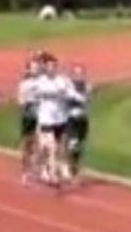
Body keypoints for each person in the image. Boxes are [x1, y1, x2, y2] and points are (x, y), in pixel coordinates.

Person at [33, 54, 74, 185]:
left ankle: (58, 168)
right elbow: (41, 93)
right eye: (50, 66)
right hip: (46, 119)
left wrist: (75, 96)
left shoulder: (63, 80)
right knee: (52, 147)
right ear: (45, 67)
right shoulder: (40, 81)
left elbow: (70, 92)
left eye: (54, 66)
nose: (52, 68)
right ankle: (52, 174)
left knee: (62, 145)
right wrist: (59, 93)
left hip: (61, 118)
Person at [65, 65, 91, 182]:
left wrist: (79, 96)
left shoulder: (87, 86)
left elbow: (86, 99)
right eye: (76, 74)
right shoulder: (68, 87)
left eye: (81, 73)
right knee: (73, 143)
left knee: (80, 145)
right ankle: (69, 166)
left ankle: (75, 167)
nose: (78, 76)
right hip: (71, 119)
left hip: (82, 119)